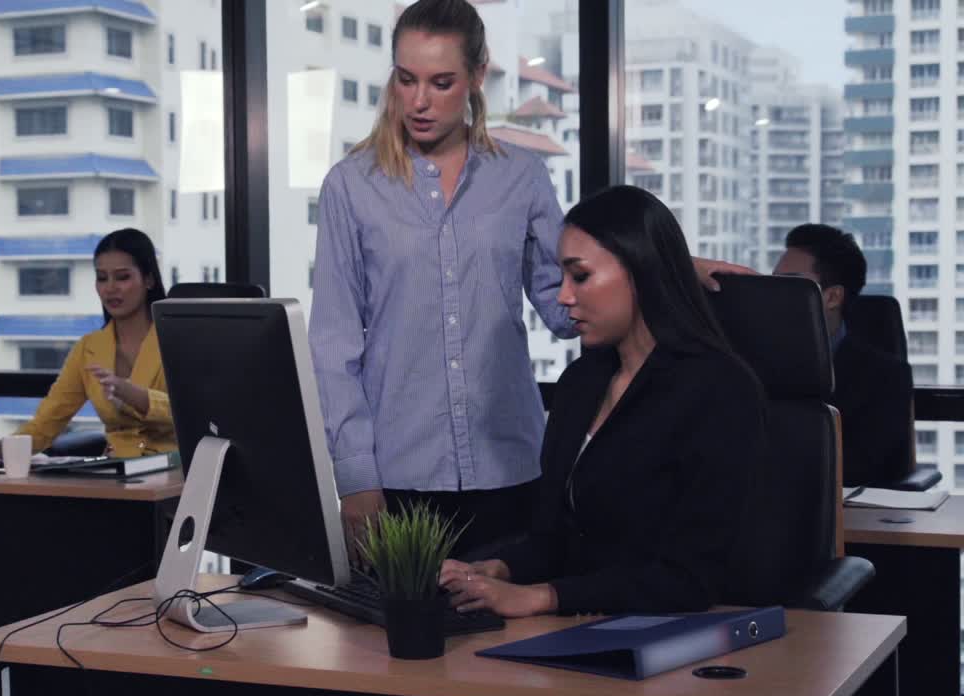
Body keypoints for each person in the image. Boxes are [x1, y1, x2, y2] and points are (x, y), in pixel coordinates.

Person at [309, 0, 750, 561]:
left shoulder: (521, 176)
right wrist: (355, 479)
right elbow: (333, 347)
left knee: (512, 643)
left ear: (475, 75)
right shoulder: (351, 187)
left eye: (441, 83)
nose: (419, 101)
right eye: (406, 79)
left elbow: (565, 305)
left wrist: (662, 267)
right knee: (399, 646)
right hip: (397, 479)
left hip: (512, 471)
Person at [438, 185, 766, 617]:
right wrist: (499, 570)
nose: (563, 297)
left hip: (684, 644)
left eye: (581, 276)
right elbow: (558, 540)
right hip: (586, 624)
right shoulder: (581, 381)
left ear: (640, 272)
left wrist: (544, 597)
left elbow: (689, 580)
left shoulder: (719, 389)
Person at [0, 228, 176, 464]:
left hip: (176, 472)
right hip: (117, 475)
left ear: (149, 279)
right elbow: (45, 425)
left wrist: (137, 396)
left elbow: (197, 415)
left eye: (122, 277)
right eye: (102, 278)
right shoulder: (89, 348)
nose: (110, 288)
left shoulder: (176, 339)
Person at [773, 224, 912, 490]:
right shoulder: (750, 363)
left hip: (845, 517)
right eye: (773, 281)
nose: (775, 294)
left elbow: (862, 467)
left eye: (790, 282)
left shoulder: (886, 377)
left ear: (832, 296)